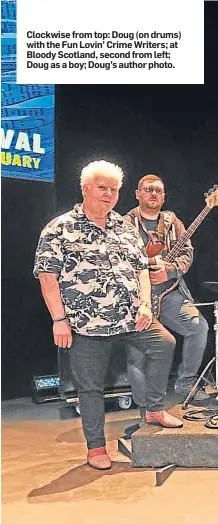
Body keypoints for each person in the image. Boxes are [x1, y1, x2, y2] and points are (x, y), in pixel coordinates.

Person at [33, 161, 183, 472]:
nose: (109, 194)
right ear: (86, 188)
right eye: (103, 188)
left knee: (164, 343)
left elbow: (141, 268)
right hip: (86, 325)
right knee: (90, 387)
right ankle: (96, 447)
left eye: (114, 190)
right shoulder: (60, 228)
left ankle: (153, 409)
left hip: (130, 318)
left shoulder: (125, 227)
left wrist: (144, 304)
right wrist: (58, 320)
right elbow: (47, 277)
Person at [124, 174, 209, 400]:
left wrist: (169, 271)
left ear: (164, 196)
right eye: (148, 189)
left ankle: (185, 383)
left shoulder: (173, 223)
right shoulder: (124, 224)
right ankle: (146, 411)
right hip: (136, 298)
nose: (154, 194)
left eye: (158, 191)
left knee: (198, 327)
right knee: (137, 354)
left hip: (171, 293)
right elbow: (119, 259)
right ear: (137, 194)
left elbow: (187, 253)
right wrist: (149, 268)